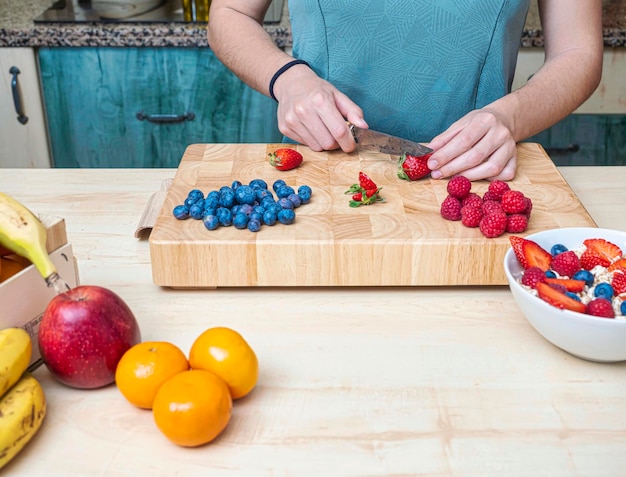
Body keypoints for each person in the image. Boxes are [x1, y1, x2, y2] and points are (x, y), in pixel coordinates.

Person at [207, 0, 603, 181]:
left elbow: (578, 51)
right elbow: (229, 13)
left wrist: (510, 117)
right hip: (318, 174)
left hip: (474, 175)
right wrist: (289, 79)